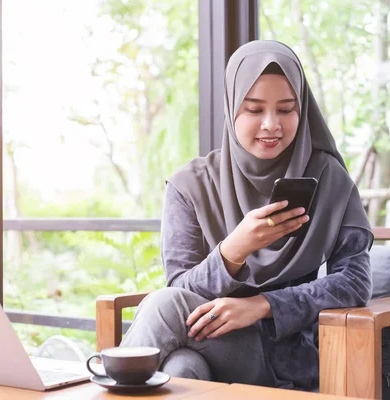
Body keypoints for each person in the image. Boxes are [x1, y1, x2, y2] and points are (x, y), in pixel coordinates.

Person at [119, 40, 373, 391]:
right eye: (254, 110)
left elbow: (354, 282)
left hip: (285, 356)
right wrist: (233, 251)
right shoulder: (192, 185)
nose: (271, 125)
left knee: (165, 308)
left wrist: (263, 305)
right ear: (231, 107)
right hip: (210, 343)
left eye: (286, 110)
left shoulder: (329, 179)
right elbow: (180, 287)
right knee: (183, 366)